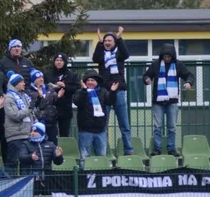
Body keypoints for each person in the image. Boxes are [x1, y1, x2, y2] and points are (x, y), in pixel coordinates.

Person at [142, 43, 193, 156]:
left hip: (172, 102)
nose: (167, 59)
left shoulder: (178, 65)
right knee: (157, 127)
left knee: (172, 127)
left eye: (169, 57)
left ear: (173, 56)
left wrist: (189, 82)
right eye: (165, 56)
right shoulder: (155, 64)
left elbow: (189, 75)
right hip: (158, 102)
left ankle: (171, 149)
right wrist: (147, 79)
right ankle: (157, 149)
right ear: (162, 56)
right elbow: (146, 75)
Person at [93, 26, 133, 155]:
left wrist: (120, 37)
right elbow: (95, 58)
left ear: (114, 42)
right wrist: (99, 42)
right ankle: (103, 151)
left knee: (124, 124)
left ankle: (129, 149)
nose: (107, 42)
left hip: (119, 91)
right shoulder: (101, 55)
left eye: (110, 40)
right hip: (104, 91)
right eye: (105, 40)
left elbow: (126, 54)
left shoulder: (119, 55)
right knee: (103, 124)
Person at [74, 72, 114, 159]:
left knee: (102, 155)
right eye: (88, 80)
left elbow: (110, 101)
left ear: (97, 82)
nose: (90, 82)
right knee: (84, 156)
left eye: (93, 80)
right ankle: (85, 172)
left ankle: (100, 172)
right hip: (85, 130)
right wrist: (84, 91)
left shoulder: (103, 91)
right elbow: (77, 102)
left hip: (100, 130)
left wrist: (113, 92)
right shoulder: (80, 92)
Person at [2, 72, 34, 175]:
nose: (24, 83)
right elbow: (15, 115)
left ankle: (26, 186)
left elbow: (30, 114)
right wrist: (29, 108)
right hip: (16, 135)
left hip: (27, 134)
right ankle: (8, 185)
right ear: (15, 84)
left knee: (26, 163)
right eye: (21, 82)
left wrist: (39, 107)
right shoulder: (9, 97)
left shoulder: (24, 96)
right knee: (12, 162)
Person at [44, 53, 80, 138]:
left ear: (65, 62)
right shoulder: (47, 74)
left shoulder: (72, 75)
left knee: (65, 134)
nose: (59, 62)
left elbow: (77, 88)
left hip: (65, 108)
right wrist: (53, 87)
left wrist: (65, 86)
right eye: (57, 60)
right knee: (50, 134)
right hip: (50, 108)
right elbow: (43, 87)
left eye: (61, 60)